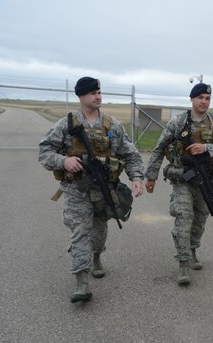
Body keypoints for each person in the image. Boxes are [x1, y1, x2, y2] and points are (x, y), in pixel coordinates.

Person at [38, 76, 144, 303]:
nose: (98, 96)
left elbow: (130, 154)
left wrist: (136, 177)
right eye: (93, 92)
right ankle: (81, 282)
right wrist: (62, 161)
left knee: (98, 231)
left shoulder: (112, 125)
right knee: (79, 232)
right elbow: (44, 151)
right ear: (80, 96)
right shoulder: (66, 124)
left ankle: (96, 256)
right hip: (76, 190)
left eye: (99, 92)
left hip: (104, 190)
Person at [145, 83, 213, 285]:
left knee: (200, 219)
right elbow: (159, 149)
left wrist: (206, 148)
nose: (204, 101)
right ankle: (183, 263)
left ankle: (193, 250)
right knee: (184, 218)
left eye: (207, 98)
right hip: (183, 178)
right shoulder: (178, 123)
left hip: (206, 180)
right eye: (200, 97)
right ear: (192, 99)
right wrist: (151, 176)